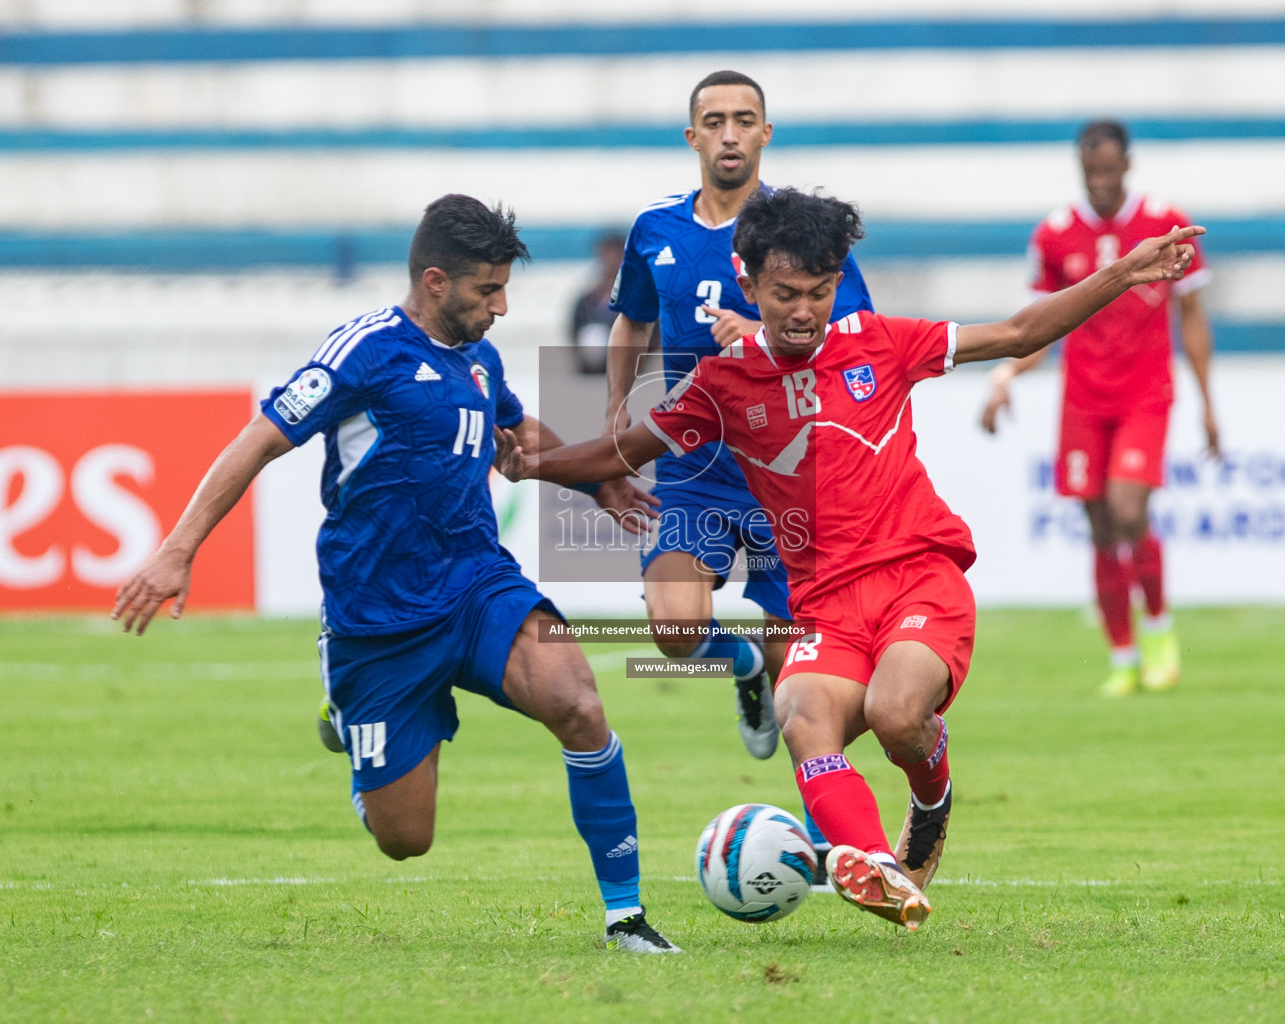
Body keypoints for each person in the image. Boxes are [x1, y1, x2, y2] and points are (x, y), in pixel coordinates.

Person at [501, 187, 1204, 930]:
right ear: (748, 285)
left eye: (817, 292)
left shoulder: (881, 342)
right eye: (784, 295)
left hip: (916, 577)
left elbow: (1021, 331)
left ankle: (931, 801)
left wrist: (1120, 274)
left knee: (896, 715)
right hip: (826, 605)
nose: (803, 311)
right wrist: (532, 465)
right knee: (801, 711)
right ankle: (873, 865)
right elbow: (622, 449)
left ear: (837, 283)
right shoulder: (720, 385)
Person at [111, 194, 678, 954]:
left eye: (505, 288)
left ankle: (625, 918)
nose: (501, 307)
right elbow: (258, 439)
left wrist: (595, 480)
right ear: (436, 281)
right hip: (378, 621)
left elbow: (517, 428)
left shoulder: (480, 356)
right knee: (405, 839)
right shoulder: (364, 352)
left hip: (479, 585)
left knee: (576, 699)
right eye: (488, 291)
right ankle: (349, 721)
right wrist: (179, 548)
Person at [606, 70, 874, 875]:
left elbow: (853, 333)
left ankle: (824, 846)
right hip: (695, 471)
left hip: (791, 475)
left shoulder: (800, 230)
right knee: (675, 630)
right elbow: (632, 320)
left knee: (812, 677)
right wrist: (619, 412)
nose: (729, 134)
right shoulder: (654, 230)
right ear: (692, 136)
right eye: (714, 121)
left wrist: (758, 330)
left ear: (766, 134)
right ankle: (743, 668)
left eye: (744, 120)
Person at [980, 119, 1218, 698]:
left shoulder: (1165, 224)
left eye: (1110, 171)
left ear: (1128, 165)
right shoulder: (1056, 234)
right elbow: (1037, 328)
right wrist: (1006, 373)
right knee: (1098, 524)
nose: (1101, 182)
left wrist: (1209, 402)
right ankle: (1123, 654)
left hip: (1145, 393)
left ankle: (1159, 630)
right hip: (1083, 399)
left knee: (1128, 507)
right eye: (1092, 172)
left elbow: (1191, 316)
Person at [568, 232, 638, 375]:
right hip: (591, 374)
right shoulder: (586, 301)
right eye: (606, 255)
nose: (610, 261)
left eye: (616, 256)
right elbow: (573, 333)